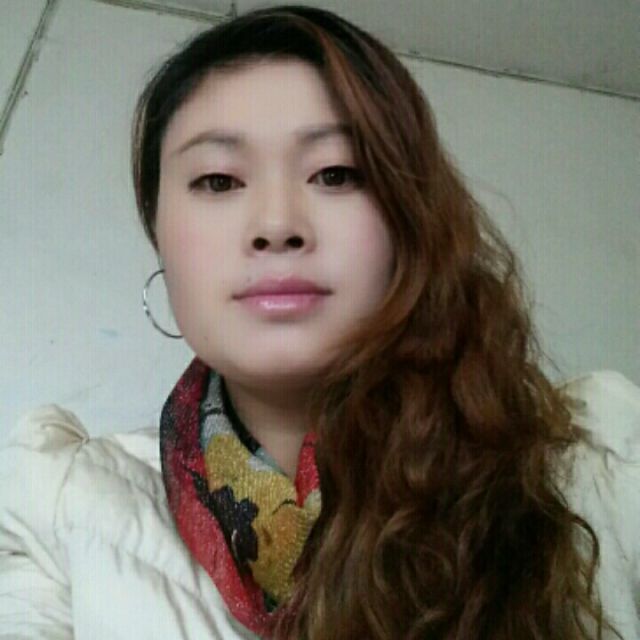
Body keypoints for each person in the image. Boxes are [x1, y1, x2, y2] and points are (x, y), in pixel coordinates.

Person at [0, 5, 638, 639]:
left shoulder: (603, 472)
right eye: (218, 181)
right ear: (158, 234)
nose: (277, 224)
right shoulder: (63, 510)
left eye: (336, 174)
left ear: (408, 220)